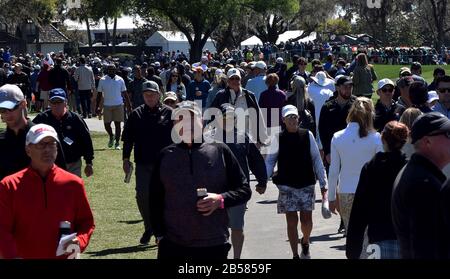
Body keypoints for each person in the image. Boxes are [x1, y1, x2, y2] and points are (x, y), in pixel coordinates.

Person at [149, 101, 251, 259]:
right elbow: (155, 199)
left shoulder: (220, 150)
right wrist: (160, 235)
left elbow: (244, 190)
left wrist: (221, 199)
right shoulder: (165, 155)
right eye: (180, 119)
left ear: (201, 121)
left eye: (191, 118)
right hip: (173, 244)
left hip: (213, 243)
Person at [0, 124, 95, 259]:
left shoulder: (74, 184)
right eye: (41, 144)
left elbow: (86, 222)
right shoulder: (9, 185)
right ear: (28, 150)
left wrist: (80, 241)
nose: (47, 150)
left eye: (52, 144)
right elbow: (2, 229)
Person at [204, 103, 267, 259]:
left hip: (237, 189)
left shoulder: (243, 136)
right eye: (225, 117)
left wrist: (262, 180)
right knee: (218, 227)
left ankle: (236, 260)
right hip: (215, 188)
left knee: (237, 227)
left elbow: (255, 159)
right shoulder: (209, 138)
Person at [265, 105, 328, 259]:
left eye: (294, 116)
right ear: (283, 120)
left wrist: (323, 183)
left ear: (298, 119)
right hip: (286, 185)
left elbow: (316, 160)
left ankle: (305, 241)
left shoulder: (307, 135)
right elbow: (270, 161)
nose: (292, 119)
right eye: (289, 117)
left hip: (306, 183)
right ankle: (295, 254)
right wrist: (263, 181)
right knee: (291, 221)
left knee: (306, 221)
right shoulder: (278, 138)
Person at [346, 121, 409, 259]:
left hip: (378, 239)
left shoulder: (371, 168)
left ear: (382, 138)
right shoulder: (410, 168)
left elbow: (359, 210)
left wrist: (352, 248)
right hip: (407, 240)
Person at [121, 80, 173, 245]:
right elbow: (128, 139)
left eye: (152, 94)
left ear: (159, 95)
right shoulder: (135, 115)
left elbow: (178, 138)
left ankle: (163, 230)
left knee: (166, 197)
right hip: (143, 163)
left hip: (165, 164)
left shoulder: (170, 113)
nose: (149, 97)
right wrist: (125, 159)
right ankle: (149, 226)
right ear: (142, 96)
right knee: (142, 196)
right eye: (146, 94)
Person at [392, 112, 450, 259]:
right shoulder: (423, 184)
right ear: (427, 141)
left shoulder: (418, 173)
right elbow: (425, 246)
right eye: (448, 134)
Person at [328, 97, 384, 233]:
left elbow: (334, 171)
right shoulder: (376, 138)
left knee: (353, 237)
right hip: (371, 193)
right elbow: (381, 171)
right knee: (370, 239)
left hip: (346, 192)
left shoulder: (337, 137)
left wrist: (331, 198)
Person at [0, 84, 66, 180]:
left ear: (23, 104)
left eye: (11, 108)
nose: (7, 113)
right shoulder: (1, 140)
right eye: (2, 109)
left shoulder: (44, 136)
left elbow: (60, 173)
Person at [32, 88, 94, 178]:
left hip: (73, 163)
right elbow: (30, 137)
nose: (57, 105)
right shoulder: (42, 118)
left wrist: (89, 162)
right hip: (50, 165)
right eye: (53, 102)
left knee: (73, 190)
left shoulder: (75, 118)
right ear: (49, 103)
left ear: (65, 102)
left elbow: (86, 140)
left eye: (59, 101)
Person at [210, 68, 269, 147]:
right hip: (225, 140)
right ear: (227, 80)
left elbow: (258, 116)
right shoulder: (220, 95)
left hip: (246, 139)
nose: (235, 81)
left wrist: (261, 138)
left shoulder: (249, 95)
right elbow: (212, 116)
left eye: (237, 78)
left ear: (240, 80)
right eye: (232, 78)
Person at [97, 64, 132, 149]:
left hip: (119, 104)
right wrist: (97, 107)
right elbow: (99, 94)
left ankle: (117, 143)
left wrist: (129, 105)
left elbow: (125, 93)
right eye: (109, 69)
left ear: (115, 70)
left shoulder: (120, 79)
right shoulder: (102, 80)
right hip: (107, 105)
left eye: (113, 69)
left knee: (118, 124)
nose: (111, 71)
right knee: (107, 124)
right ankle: (111, 136)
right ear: (107, 70)